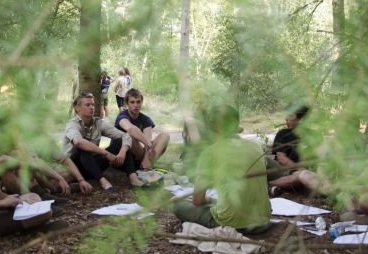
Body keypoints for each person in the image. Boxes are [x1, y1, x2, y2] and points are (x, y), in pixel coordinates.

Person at [173, 105, 272, 235]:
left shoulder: (210, 152)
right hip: (263, 221)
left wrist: (208, 200)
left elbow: (197, 200)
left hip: (234, 223)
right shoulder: (256, 147)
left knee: (179, 206)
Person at [63, 92, 146, 191]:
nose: (92, 107)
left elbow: (125, 136)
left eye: (93, 104)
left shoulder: (99, 123)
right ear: (77, 108)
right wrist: (106, 153)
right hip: (75, 167)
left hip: (93, 165)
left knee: (119, 142)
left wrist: (122, 152)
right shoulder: (72, 124)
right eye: (87, 105)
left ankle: (133, 179)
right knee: (82, 149)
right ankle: (103, 181)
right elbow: (78, 142)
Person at [114, 88, 170, 170]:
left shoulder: (145, 119)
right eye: (132, 102)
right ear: (127, 104)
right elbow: (130, 129)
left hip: (140, 155)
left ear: (141, 102)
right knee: (130, 136)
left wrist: (149, 147)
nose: (136, 105)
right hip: (124, 155)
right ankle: (147, 165)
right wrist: (149, 146)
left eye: (138, 102)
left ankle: (145, 165)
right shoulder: (122, 116)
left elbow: (148, 139)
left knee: (165, 136)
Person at [266, 105, 310, 196]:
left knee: (301, 177)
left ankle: (269, 186)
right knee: (298, 178)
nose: (286, 119)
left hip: (304, 172)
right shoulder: (283, 134)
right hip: (285, 170)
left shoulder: (313, 135)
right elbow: (281, 158)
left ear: (301, 119)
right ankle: (267, 186)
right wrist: (298, 169)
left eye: (290, 116)